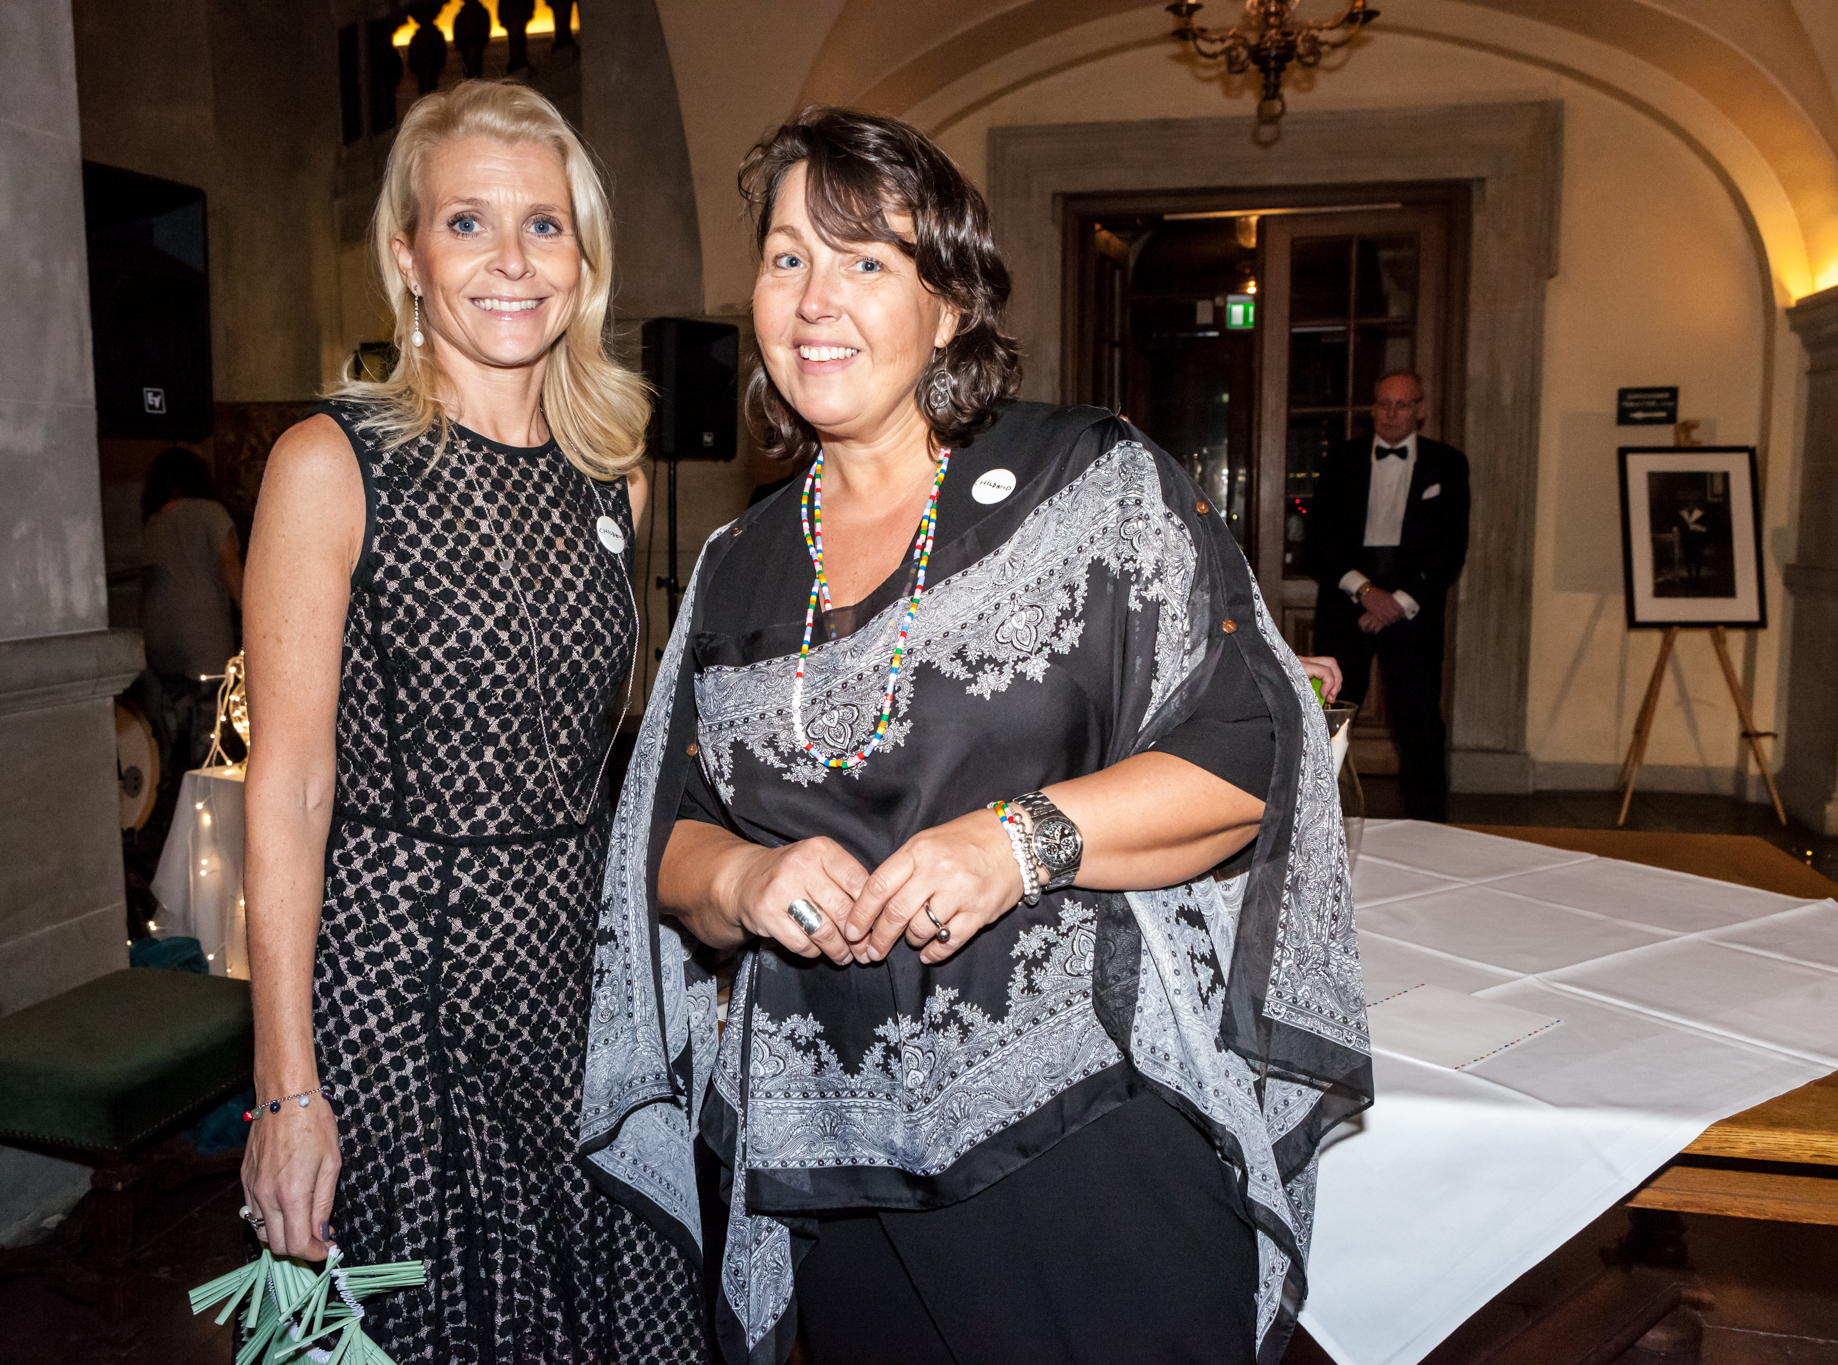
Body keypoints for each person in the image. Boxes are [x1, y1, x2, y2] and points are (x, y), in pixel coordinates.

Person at [580, 108, 1369, 1365]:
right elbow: (659, 836)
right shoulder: (737, 563)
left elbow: (1245, 760)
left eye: (864, 260)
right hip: (831, 1170)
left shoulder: (1086, 483)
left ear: (946, 304)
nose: (814, 298)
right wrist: (741, 879)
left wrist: (1017, 842)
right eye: (787, 258)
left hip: (1084, 1139)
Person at [238, 80, 706, 1362]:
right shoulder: (327, 464)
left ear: (583, 259)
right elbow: (289, 789)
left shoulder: (612, 475)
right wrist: (284, 1090)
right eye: (466, 223)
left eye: (543, 225)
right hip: (398, 989)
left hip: (572, 983)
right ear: (407, 257)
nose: (511, 259)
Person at [1307, 371, 1471, 822]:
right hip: (1348, 605)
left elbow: (1451, 548)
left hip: (1412, 608)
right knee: (1328, 716)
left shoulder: (1448, 464)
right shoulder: (1341, 459)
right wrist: (1365, 591)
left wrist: (1397, 601)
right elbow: (1318, 541)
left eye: (1402, 404)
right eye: (1383, 403)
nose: (1391, 413)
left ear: (1421, 409)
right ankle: (1314, 824)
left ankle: (1427, 828)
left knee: (1419, 721)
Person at [138, 446, 242, 771]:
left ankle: (172, 784)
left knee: (176, 724)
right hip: (203, 635)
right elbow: (231, 569)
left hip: (159, 638)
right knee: (210, 731)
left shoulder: (154, 521)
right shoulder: (211, 513)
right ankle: (205, 790)